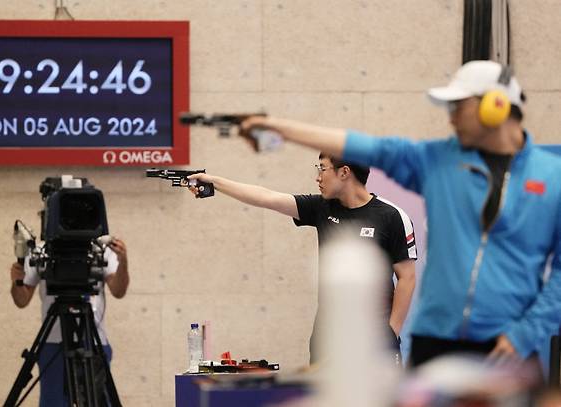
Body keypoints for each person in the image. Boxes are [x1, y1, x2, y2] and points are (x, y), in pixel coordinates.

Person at [237, 60, 561, 369]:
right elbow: (371, 148)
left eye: (457, 107)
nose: (450, 119)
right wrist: (279, 127)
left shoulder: (553, 177)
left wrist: (527, 333)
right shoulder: (439, 161)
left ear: (496, 106)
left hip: (509, 347)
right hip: (433, 341)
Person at [188, 154, 417, 363]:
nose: (317, 177)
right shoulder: (321, 208)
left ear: (344, 172)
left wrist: (391, 332)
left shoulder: (392, 216)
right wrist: (214, 182)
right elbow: (266, 197)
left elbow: (406, 278)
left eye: (322, 169)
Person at [9, 236, 130, 406]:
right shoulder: (42, 251)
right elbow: (21, 300)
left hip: (93, 342)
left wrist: (122, 261)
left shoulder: (102, 249)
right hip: (53, 341)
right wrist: (17, 281)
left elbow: (118, 291)